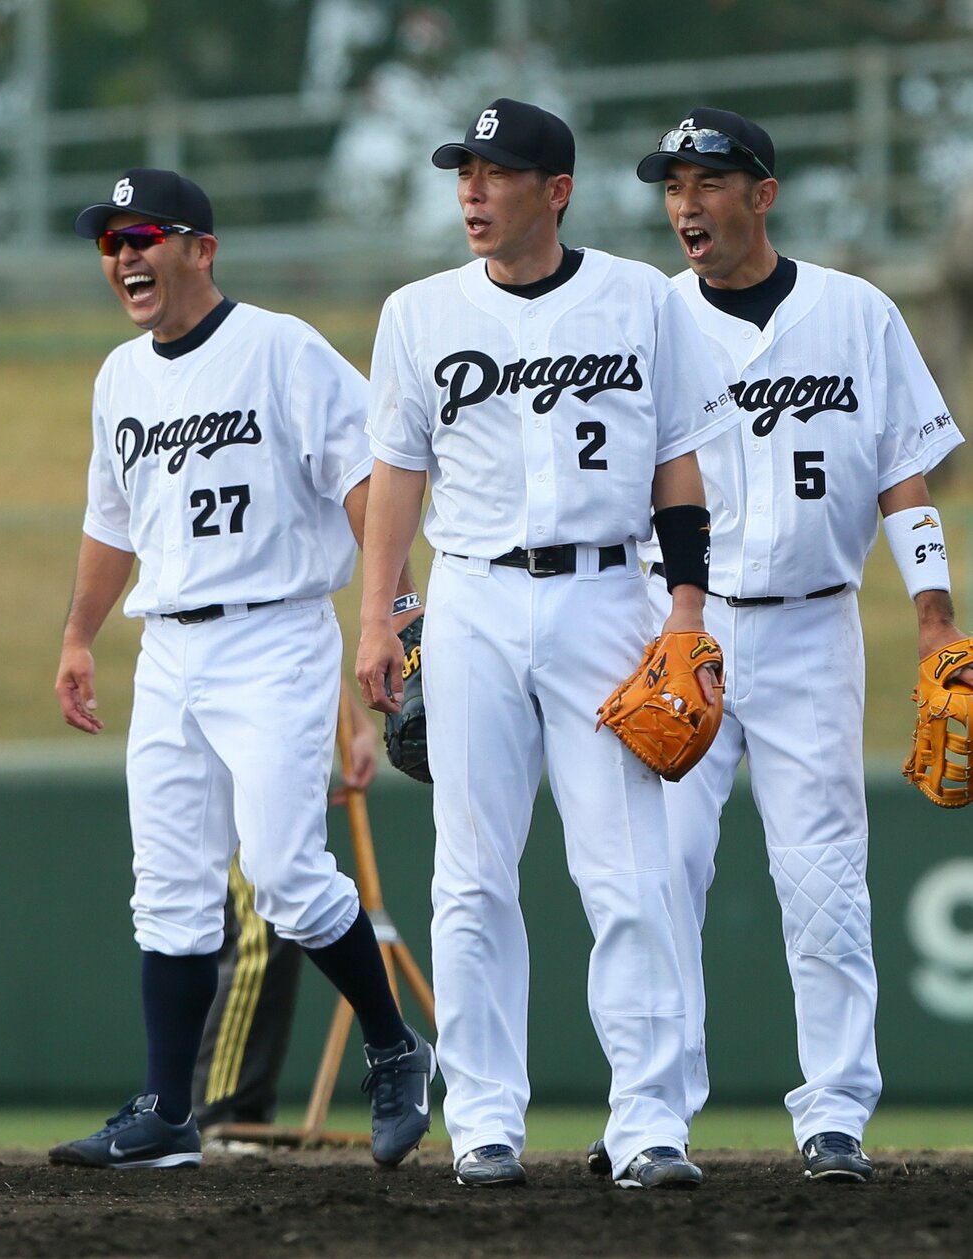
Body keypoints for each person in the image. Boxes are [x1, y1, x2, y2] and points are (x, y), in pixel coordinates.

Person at [355, 98, 740, 1190]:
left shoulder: (639, 302)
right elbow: (396, 470)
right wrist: (379, 612)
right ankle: (483, 1118)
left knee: (630, 872)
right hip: (471, 597)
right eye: (463, 172)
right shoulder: (418, 312)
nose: (472, 191)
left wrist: (687, 609)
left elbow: (677, 463)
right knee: (471, 878)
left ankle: (650, 1120)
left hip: (609, 595)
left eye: (497, 172)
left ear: (555, 190)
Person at [593, 106, 967, 1182]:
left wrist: (934, 609)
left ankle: (836, 1113)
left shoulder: (856, 313)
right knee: (662, 877)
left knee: (825, 879)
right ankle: (649, 1119)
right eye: (672, 185)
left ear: (761, 192)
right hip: (683, 631)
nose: (685, 204)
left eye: (706, 181)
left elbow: (906, 469)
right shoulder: (648, 318)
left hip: (813, 623)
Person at [50, 166, 433, 1170]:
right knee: (170, 888)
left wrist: (387, 615)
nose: (126, 256)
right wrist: (79, 635)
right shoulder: (120, 375)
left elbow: (368, 486)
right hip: (169, 644)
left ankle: (395, 1048)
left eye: (145, 236)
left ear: (201, 248)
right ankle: (167, 1108)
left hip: (273, 634)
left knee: (284, 871)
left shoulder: (283, 350)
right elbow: (110, 523)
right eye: (111, 242)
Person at [194, 693, 384, 1136]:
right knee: (255, 929)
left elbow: (299, 624)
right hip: (218, 738)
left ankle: (239, 1112)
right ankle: (220, 1111)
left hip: (265, 727)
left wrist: (353, 717)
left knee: (274, 919)